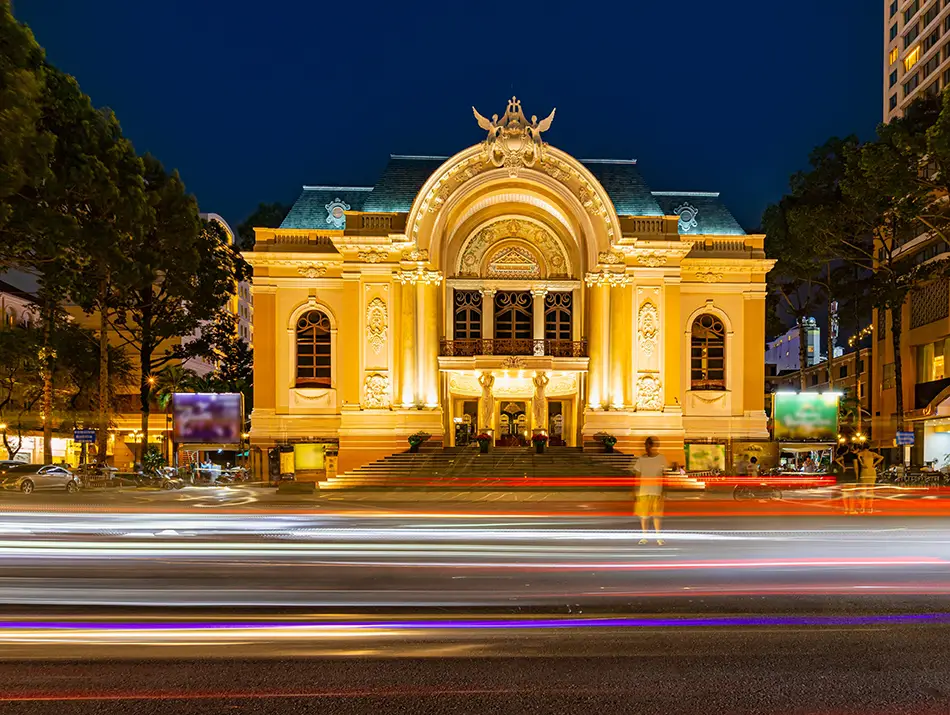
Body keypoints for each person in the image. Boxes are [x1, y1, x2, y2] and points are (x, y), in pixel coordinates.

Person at [634, 436, 668, 545]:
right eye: (646, 445)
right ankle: (645, 537)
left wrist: (664, 490)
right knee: (644, 517)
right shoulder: (641, 460)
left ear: (654, 446)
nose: (647, 447)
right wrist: (636, 491)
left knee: (656, 516)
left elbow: (664, 475)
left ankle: (658, 537)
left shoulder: (661, 458)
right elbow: (637, 476)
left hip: (657, 491)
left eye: (649, 445)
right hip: (643, 491)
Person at [855, 445, 884, 514]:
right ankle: (870, 507)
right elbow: (881, 457)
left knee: (863, 490)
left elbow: (858, 457)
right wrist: (874, 464)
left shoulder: (861, 453)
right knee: (871, 491)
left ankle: (862, 507)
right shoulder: (872, 454)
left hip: (865, 471)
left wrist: (862, 463)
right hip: (872, 471)